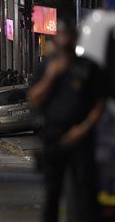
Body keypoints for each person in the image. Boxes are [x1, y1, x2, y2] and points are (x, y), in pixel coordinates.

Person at [29, 20, 105, 222]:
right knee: (53, 192)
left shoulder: (88, 66)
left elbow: (99, 104)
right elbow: (34, 98)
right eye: (62, 35)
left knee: (85, 191)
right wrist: (51, 76)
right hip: (54, 136)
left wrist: (83, 129)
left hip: (81, 136)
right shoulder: (47, 66)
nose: (66, 39)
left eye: (69, 34)